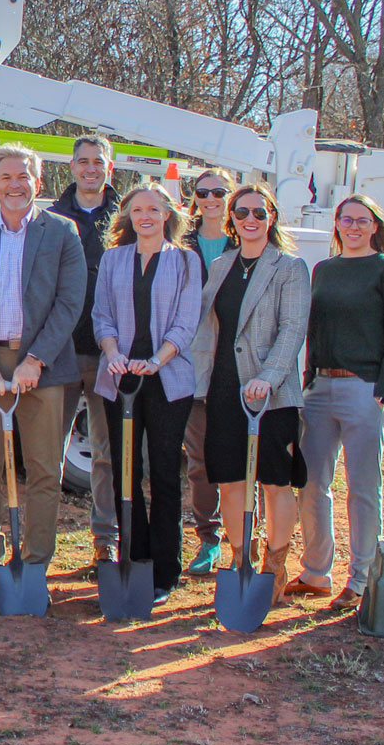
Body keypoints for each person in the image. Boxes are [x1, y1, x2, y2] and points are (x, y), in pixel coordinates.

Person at [0, 143, 87, 605]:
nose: (15, 185)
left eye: (23, 177)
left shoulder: (62, 233)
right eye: (6, 177)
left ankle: (34, 566)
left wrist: (36, 361)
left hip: (43, 368)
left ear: (38, 182)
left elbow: (70, 302)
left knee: (46, 470)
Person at [292, 194, 384, 611]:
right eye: (347, 219)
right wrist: (308, 379)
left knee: (362, 486)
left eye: (363, 221)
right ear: (337, 225)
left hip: (365, 388)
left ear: (375, 226)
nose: (354, 227)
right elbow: (314, 330)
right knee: (311, 482)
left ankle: (362, 577)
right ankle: (315, 572)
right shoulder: (323, 271)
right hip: (320, 388)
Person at [189, 184, 311, 603]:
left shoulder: (289, 268)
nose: (251, 219)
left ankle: (274, 568)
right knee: (230, 480)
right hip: (224, 388)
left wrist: (271, 376)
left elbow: (293, 328)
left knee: (276, 482)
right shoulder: (222, 265)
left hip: (270, 394)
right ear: (232, 219)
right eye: (242, 213)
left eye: (259, 212)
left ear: (271, 217)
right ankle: (241, 560)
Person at [90, 183, 203, 603]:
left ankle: (164, 570)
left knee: (163, 473)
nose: (146, 217)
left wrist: (158, 359)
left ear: (168, 215)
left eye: (153, 209)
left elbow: (186, 321)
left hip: (167, 380)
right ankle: (131, 560)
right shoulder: (113, 259)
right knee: (124, 471)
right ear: (128, 216)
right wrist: (113, 352)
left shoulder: (186, 262)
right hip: (119, 379)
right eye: (137, 210)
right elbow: (101, 313)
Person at [49, 134, 122, 567]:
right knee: (45, 454)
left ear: (108, 167)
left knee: (106, 456)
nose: (90, 168)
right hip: (58, 353)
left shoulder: (128, 217)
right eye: (83, 162)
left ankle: (105, 543)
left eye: (98, 162)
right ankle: (40, 544)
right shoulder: (52, 217)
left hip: (110, 354)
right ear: (71, 167)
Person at [179, 167, 237, 577]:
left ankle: (244, 540)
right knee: (199, 461)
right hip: (192, 364)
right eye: (203, 192)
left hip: (238, 365)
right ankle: (208, 539)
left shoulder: (248, 238)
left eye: (219, 191)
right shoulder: (181, 243)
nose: (211, 198)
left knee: (238, 457)